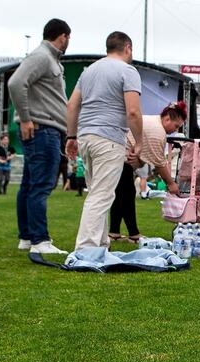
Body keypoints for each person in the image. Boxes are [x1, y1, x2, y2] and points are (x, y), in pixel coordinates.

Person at [66, 31, 143, 250]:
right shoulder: (128, 71)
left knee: (99, 193)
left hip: (85, 137)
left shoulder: (89, 71)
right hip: (109, 138)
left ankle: (100, 244)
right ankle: (87, 248)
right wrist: (138, 142)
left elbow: (72, 105)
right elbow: (134, 112)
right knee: (101, 195)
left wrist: (71, 136)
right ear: (127, 47)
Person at [8, 18, 70, 255]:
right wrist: (25, 118)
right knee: (41, 186)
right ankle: (39, 239)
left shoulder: (47, 58)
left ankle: (27, 237)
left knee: (30, 185)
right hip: (43, 130)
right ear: (63, 36)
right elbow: (15, 83)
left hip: (44, 130)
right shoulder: (42, 56)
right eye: (68, 38)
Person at [108, 102, 185, 243]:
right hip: (119, 154)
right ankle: (133, 234)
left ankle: (114, 232)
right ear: (167, 119)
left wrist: (139, 161)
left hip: (118, 153)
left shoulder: (154, 121)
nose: (175, 130)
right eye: (176, 126)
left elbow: (144, 157)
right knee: (127, 195)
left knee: (121, 195)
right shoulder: (158, 131)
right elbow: (160, 164)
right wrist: (171, 184)